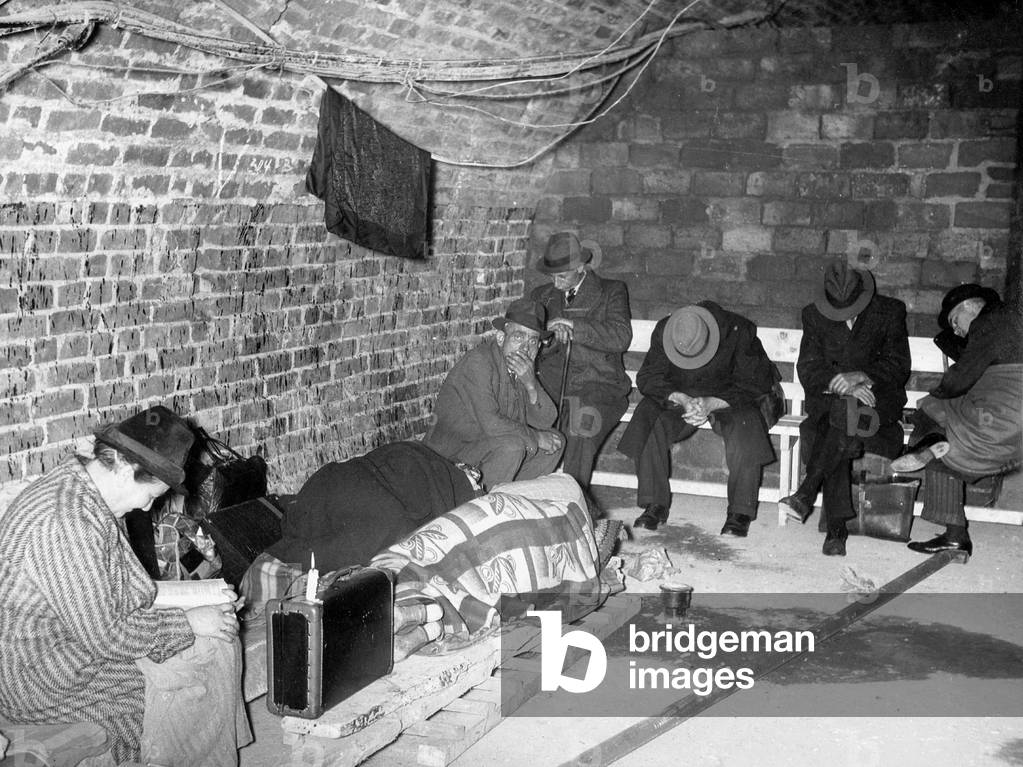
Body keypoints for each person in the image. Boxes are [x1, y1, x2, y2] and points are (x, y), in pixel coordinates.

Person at [0, 405, 250, 766]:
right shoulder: (65, 523)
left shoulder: (85, 491)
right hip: (42, 678)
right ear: (119, 463)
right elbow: (109, 636)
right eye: (150, 494)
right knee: (190, 670)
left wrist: (195, 609)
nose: (148, 507)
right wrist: (190, 621)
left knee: (213, 643)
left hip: (69, 647)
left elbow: (119, 592)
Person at [778, 258, 911, 556]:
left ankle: (814, 500)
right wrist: (837, 382)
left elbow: (898, 365)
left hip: (877, 405)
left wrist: (863, 377)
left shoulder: (889, 312)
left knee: (836, 424)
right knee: (841, 422)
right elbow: (808, 368)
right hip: (831, 404)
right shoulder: (813, 315)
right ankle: (832, 523)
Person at [618, 302, 784, 536]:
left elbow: (755, 383)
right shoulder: (667, 329)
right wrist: (681, 398)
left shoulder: (739, 330)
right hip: (683, 397)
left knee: (746, 424)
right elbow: (648, 377)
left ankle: (740, 511)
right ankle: (655, 504)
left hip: (728, 396)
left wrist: (712, 402)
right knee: (648, 414)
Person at [898, 284, 1023, 556]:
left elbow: (959, 380)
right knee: (946, 430)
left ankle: (926, 446)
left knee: (932, 409)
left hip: (1007, 417)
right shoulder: (1009, 318)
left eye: (955, 321)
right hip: (1012, 420)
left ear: (970, 306)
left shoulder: (988, 323)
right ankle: (931, 445)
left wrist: (936, 395)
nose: (956, 330)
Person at [530, 231, 632, 498]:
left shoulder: (611, 291)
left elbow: (621, 336)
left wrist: (574, 327)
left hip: (599, 385)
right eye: (551, 275)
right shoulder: (541, 296)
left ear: (580, 267)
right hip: (553, 386)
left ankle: (572, 505)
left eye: (562, 275)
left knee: (582, 428)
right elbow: (530, 341)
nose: (555, 281)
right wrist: (548, 335)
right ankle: (526, 502)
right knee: (520, 418)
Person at [424, 298, 564, 489]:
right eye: (518, 337)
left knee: (556, 441)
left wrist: (531, 385)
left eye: (533, 341)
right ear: (501, 338)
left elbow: (546, 420)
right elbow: (491, 423)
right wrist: (537, 438)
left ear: (538, 347)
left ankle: (511, 496)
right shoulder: (479, 362)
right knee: (513, 446)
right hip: (451, 457)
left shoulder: (521, 369)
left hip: (489, 447)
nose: (525, 348)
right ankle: (478, 504)